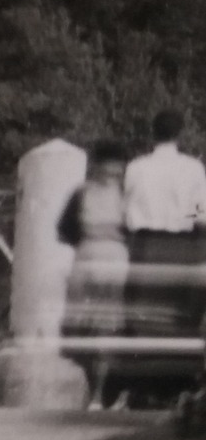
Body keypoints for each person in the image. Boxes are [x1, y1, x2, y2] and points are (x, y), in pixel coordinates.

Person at [58, 140, 131, 410]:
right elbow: (65, 229)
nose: (111, 171)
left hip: (113, 259)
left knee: (107, 327)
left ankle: (100, 394)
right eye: (106, 165)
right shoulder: (82, 194)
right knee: (81, 328)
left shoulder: (126, 194)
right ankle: (94, 389)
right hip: (89, 258)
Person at [123, 110, 206, 338]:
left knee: (143, 315)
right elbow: (201, 215)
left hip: (144, 246)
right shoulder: (193, 169)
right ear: (180, 134)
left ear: (153, 133)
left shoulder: (136, 167)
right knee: (179, 316)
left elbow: (125, 212)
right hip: (181, 247)